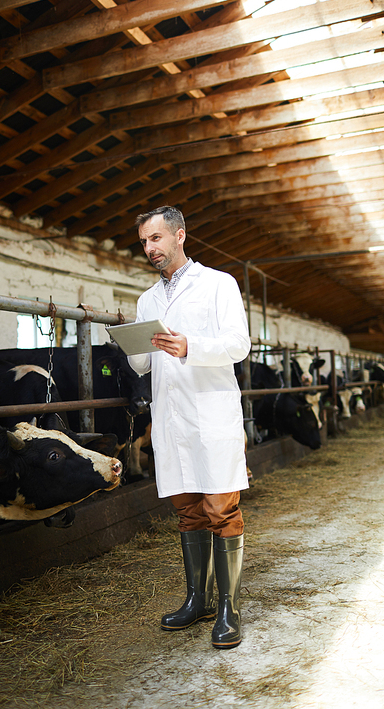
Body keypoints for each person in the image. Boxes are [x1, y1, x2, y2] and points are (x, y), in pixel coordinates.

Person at [127, 205, 251, 649]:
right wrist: (131, 342)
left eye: (156, 239)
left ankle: (228, 610)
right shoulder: (147, 299)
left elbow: (238, 344)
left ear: (180, 235)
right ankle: (197, 599)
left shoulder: (219, 284)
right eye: (144, 241)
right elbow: (141, 364)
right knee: (188, 512)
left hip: (211, 416)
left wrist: (189, 346)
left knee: (222, 511)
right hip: (172, 420)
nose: (149, 248)